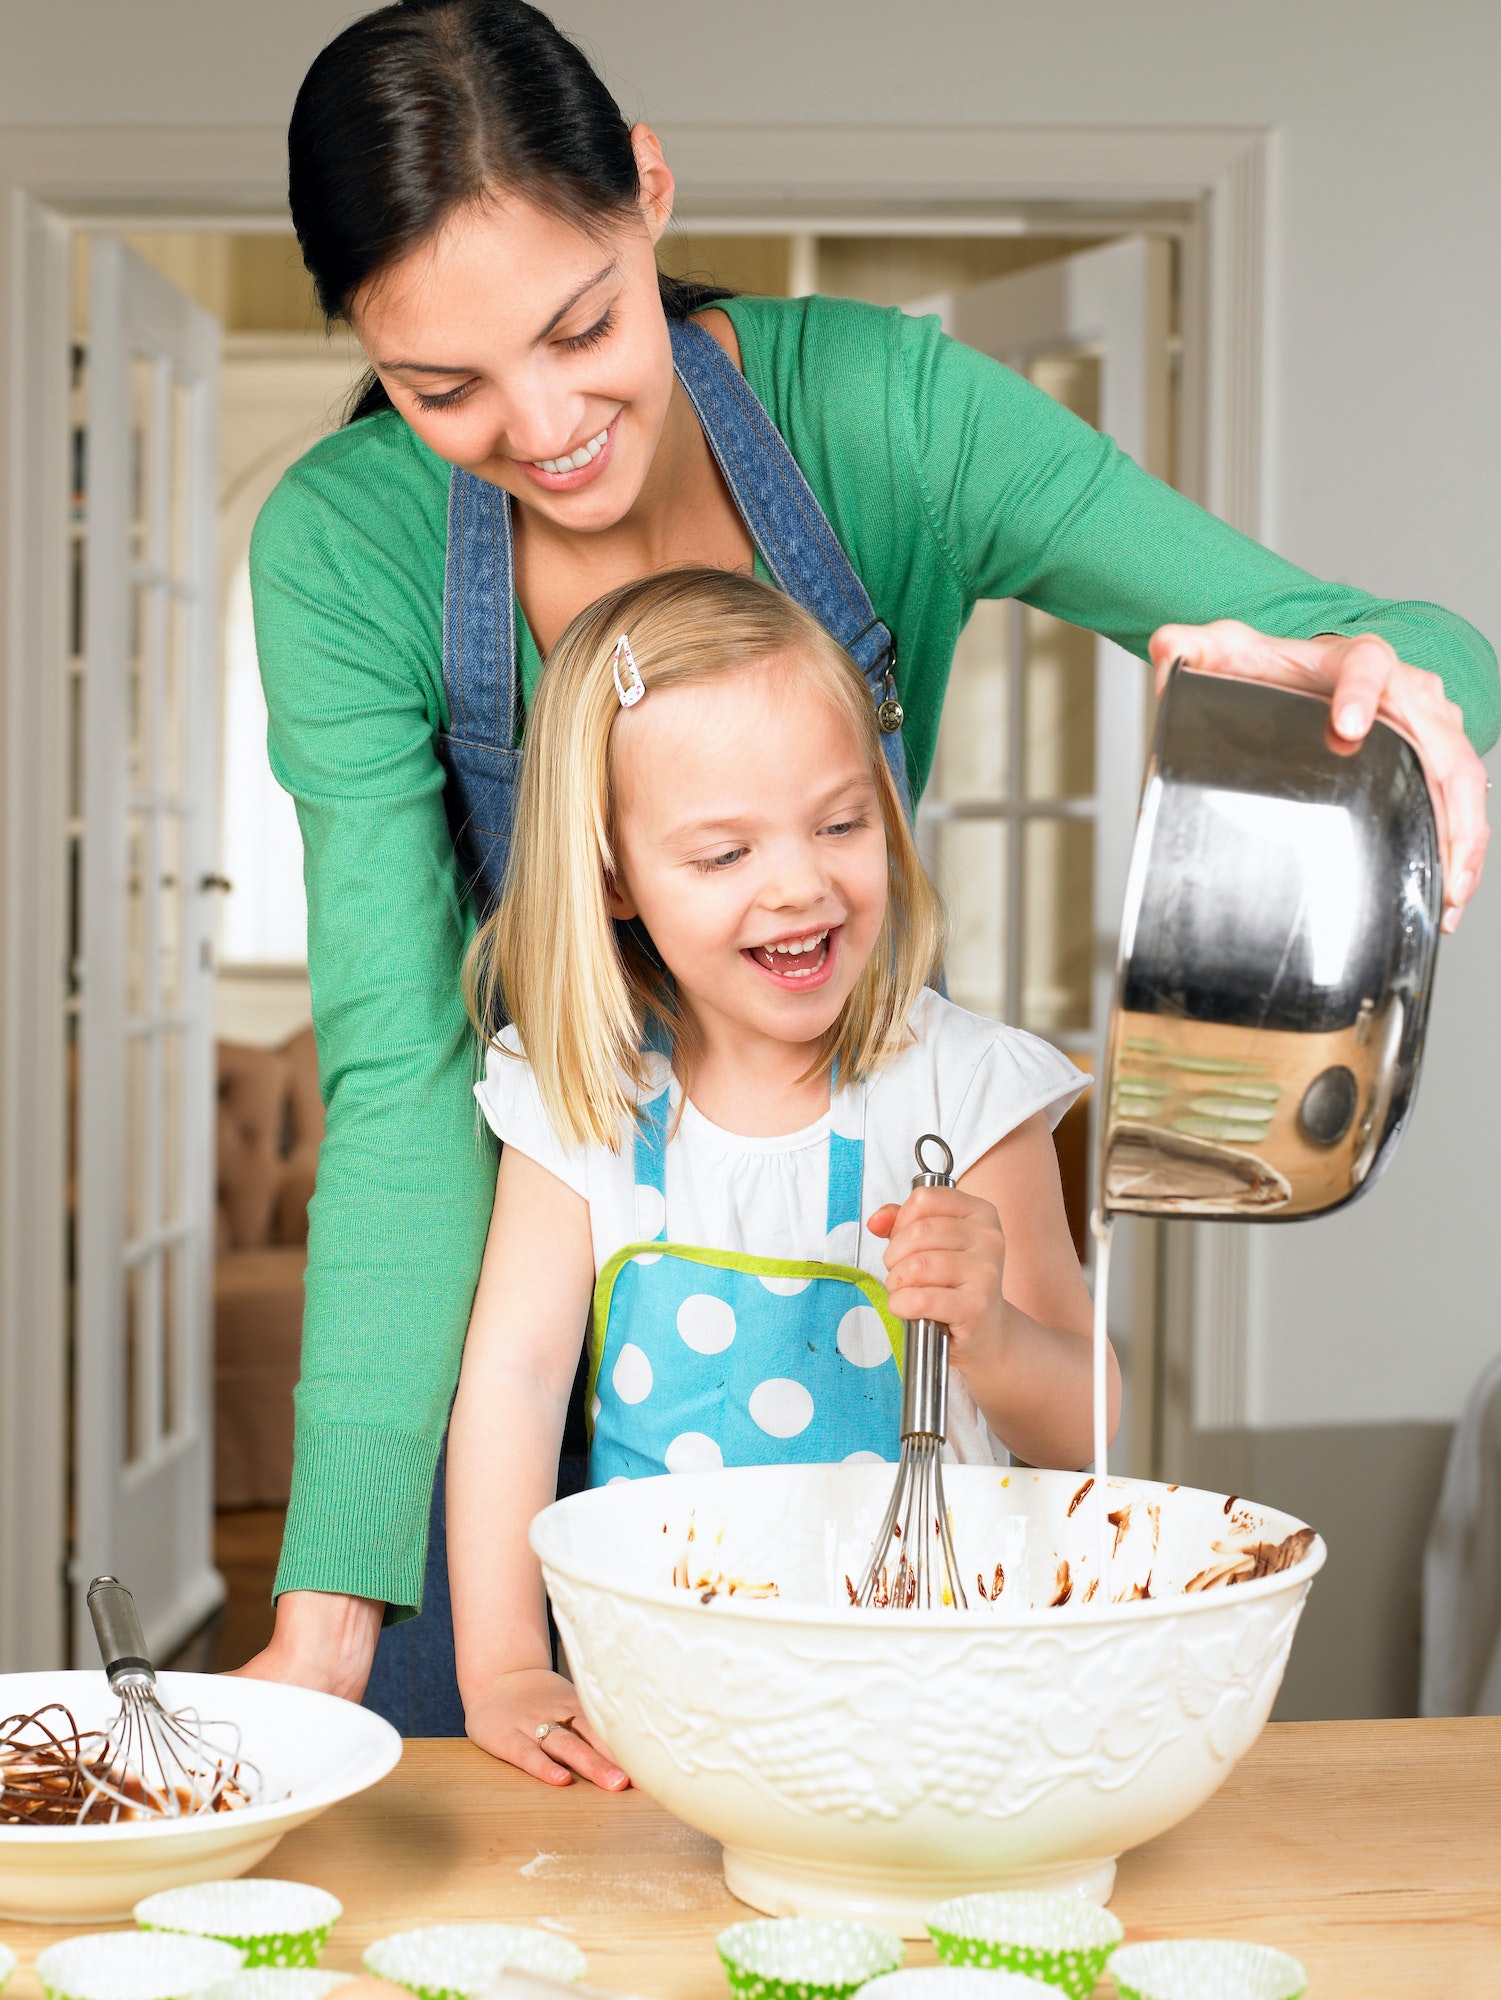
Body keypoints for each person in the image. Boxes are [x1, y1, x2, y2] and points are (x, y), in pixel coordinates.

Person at [240, 0, 1497, 1731]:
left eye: (583, 327)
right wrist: (325, 1611)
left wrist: (1415, 698)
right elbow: (402, 1082)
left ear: (650, 196)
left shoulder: (889, 417)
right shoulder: (347, 545)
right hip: (497, 1355)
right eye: (440, 386)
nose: (542, 427)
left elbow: (1349, 634)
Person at [447, 566, 1110, 1786]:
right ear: (612, 876)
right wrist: (502, 1662)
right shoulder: (583, 1099)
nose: (798, 882)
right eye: (723, 851)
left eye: (840, 822)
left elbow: (1093, 1430)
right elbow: (515, 1382)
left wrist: (994, 1330)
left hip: (941, 1706)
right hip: (664, 1712)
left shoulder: (968, 1094)